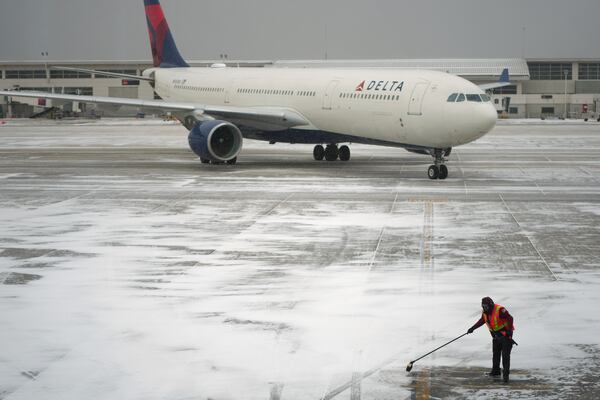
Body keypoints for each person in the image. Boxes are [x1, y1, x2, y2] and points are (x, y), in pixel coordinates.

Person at [467, 297, 515, 383]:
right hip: (496, 336)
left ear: (491, 305)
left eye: (486, 306)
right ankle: (496, 372)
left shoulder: (500, 310)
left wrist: (509, 331)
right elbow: (482, 320)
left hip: (505, 335)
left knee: (505, 355)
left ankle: (506, 375)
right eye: (483, 306)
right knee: (496, 354)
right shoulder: (485, 312)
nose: (485, 308)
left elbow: (510, 318)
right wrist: (472, 328)